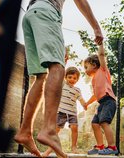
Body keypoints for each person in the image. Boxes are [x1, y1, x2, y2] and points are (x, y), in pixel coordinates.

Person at [14, 0, 103, 157]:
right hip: (47, 11)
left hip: (30, 15)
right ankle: (49, 129)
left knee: (40, 77)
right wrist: (96, 27)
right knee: (57, 67)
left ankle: (25, 131)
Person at [83, 43, 118, 155]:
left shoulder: (103, 70)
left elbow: (101, 55)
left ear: (93, 64)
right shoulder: (94, 80)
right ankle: (99, 146)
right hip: (101, 103)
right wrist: (87, 103)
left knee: (104, 122)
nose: (85, 70)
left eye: (86, 67)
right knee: (95, 123)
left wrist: (100, 44)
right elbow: (95, 95)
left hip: (108, 101)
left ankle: (112, 147)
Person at [43, 67, 86, 156]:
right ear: (65, 77)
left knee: (75, 128)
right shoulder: (62, 85)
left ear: (77, 80)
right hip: (61, 112)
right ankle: (49, 149)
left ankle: (74, 146)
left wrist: (84, 105)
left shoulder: (77, 90)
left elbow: (81, 99)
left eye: (75, 78)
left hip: (72, 113)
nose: (72, 80)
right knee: (56, 130)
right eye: (70, 77)